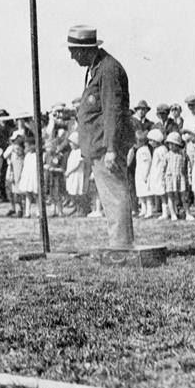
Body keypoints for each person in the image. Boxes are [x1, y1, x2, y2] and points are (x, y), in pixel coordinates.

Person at [67, 25, 135, 247]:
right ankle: (120, 243)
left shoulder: (108, 70)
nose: (72, 57)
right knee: (111, 198)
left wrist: (112, 149)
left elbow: (112, 111)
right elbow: (96, 108)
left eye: (73, 52)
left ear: (85, 50)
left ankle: (121, 247)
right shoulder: (97, 68)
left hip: (106, 147)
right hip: (99, 145)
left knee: (115, 197)